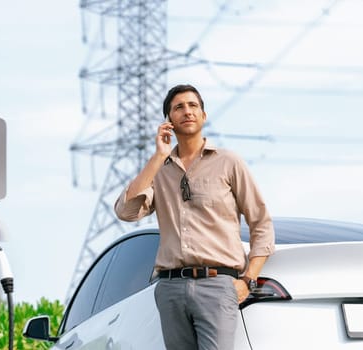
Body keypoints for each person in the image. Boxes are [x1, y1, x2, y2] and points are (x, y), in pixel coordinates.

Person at [114, 84, 275, 350]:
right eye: (178, 107)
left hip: (218, 284)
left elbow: (261, 223)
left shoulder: (228, 162)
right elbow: (126, 211)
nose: (187, 111)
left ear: (203, 115)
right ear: (168, 121)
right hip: (170, 289)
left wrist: (248, 279)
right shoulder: (160, 170)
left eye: (193, 106)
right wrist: (158, 157)